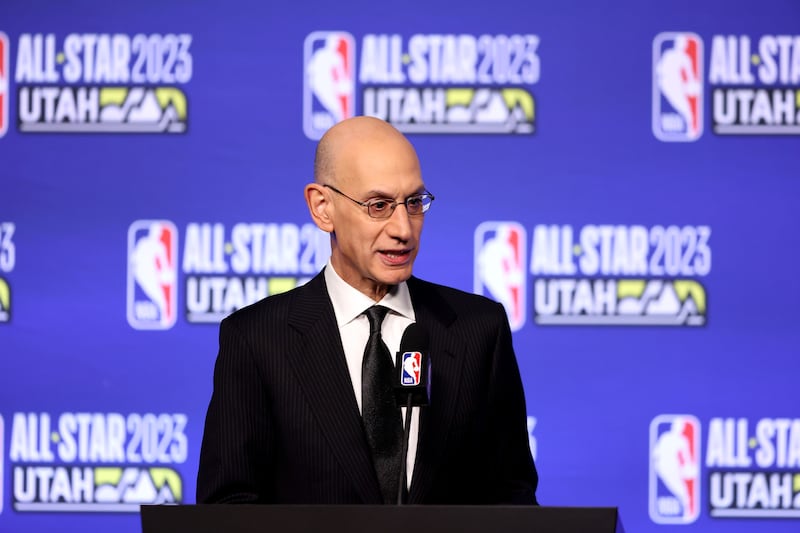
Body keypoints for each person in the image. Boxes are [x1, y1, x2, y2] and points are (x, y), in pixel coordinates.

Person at [196, 116, 538, 505]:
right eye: (379, 206)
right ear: (322, 207)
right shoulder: (257, 340)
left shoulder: (479, 330)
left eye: (414, 203)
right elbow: (229, 508)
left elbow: (512, 499)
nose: (404, 229)